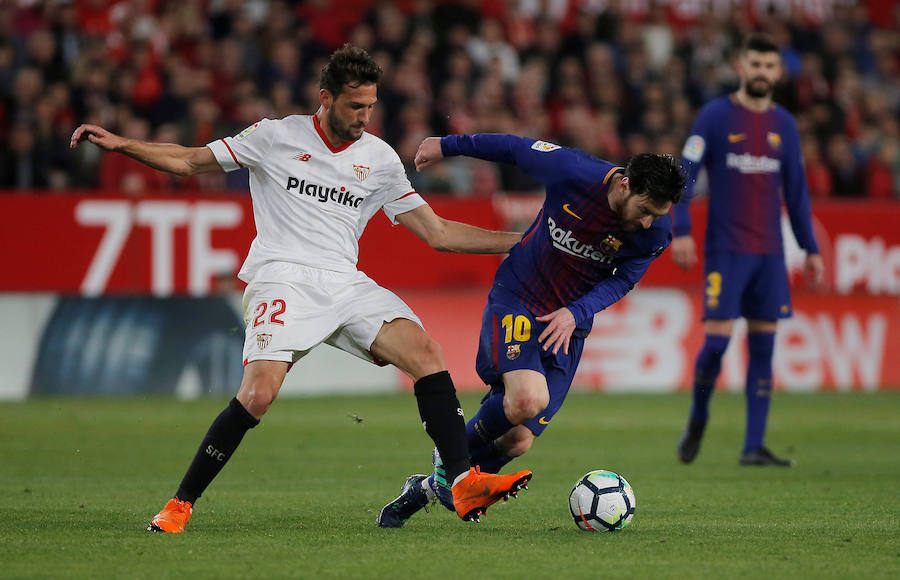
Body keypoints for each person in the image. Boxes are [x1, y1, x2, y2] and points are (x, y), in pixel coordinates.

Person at [70, 44, 533, 533]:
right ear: (325, 98)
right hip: (281, 276)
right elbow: (189, 161)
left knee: (427, 353)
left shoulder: (377, 158)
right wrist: (124, 145)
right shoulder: (275, 136)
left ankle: (461, 482)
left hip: (344, 282)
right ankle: (180, 504)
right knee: (258, 395)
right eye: (355, 106)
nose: (364, 117)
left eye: (371, 106)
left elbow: (437, 233)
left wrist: (522, 243)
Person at [376, 133, 685, 527]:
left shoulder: (655, 231)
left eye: (657, 214)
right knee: (527, 400)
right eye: (644, 209)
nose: (647, 221)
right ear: (625, 183)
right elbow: (513, 148)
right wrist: (448, 146)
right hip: (519, 298)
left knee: (518, 440)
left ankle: (428, 488)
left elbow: (623, 279)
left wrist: (576, 312)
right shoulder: (574, 172)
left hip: (567, 324)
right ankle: (450, 459)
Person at [672, 34, 825, 467]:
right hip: (727, 250)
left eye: (768, 66)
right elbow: (686, 172)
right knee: (717, 344)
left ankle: (753, 446)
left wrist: (810, 248)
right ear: (741, 68)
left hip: (770, 255)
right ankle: (699, 413)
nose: (761, 72)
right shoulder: (716, 116)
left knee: (764, 347)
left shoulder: (785, 125)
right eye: (754, 64)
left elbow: (796, 194)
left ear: (779, 73)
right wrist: (681, 229)